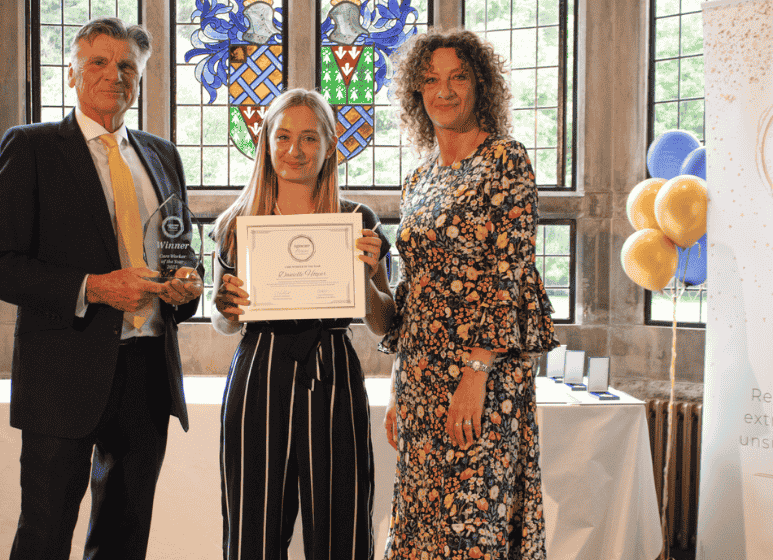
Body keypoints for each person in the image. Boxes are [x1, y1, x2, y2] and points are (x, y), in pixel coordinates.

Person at [0, 17, 202, 560]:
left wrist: (187, 285)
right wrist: (93, 288)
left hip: (147, 373)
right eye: (98, 62)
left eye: (127, 67)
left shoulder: (163, 155)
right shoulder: (32, 147)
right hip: (62, 376)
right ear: (72, 73)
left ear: (140, 78)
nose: (113, 76)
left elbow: (179, 250)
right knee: (45, 537)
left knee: (124, 539)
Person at [378, 28, 560, 559]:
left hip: (483, 377)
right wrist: (397, 387)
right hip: (420, 379)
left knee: (473, 528)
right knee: (421, 526)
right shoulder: (418, 179)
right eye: (431, 79)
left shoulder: (506, 160)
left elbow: (510, 276)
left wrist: (475, 374)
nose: (445, 90)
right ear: (416, 91)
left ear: (480, 84)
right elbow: (413, 292)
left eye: (458, 77)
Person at [211, 88, 396, 560]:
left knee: (341, 529)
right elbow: (224, 323)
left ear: (330, 145)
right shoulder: (238, 222)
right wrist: (224, 307)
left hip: (332, 369)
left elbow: (384, 323)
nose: (295, 150)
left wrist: (366, 279)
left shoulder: (358, 220)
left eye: (310, 138)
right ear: (266, 142)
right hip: (260, 369)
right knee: (253, 529)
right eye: (284, 136)